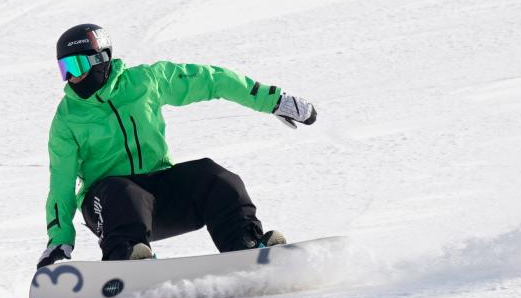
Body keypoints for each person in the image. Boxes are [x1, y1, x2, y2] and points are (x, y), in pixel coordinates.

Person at [36, 23, 317, 269]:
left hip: (158, 196)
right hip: (108, 209)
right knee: (121, 191)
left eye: (76, 66)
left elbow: (212, 80)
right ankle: (126, 258)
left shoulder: (146, 82)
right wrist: (59, 240)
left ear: (101, 59)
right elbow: (61, 184)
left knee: (213, 176)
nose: (70, 78)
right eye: (64, 69)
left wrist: (274, 100)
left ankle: (246, 244)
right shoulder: (67, 119)